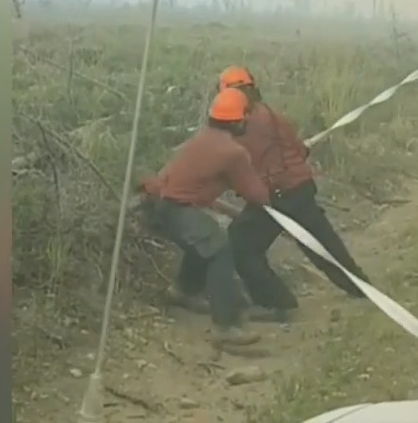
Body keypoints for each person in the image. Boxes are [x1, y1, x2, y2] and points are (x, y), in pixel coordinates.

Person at [217, 65, 371, 323]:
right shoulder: (272, 114)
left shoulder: (240, 125)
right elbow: (299, 151)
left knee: (241, 245)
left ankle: (276, 303)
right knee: (321, 245)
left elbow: (232, 163)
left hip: (276, 195)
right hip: (299, 188)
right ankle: (360, 287)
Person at [139, 86, 271, 350]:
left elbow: (193, 188)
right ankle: (226, 327)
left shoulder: (201, 140)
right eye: (245, 116)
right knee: (219, 247)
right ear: (236, 120)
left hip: (158, 205)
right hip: (174, 208)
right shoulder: (233, 152)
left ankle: (182, 292)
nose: (247, 121)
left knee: (204, 237)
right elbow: (259, 196)